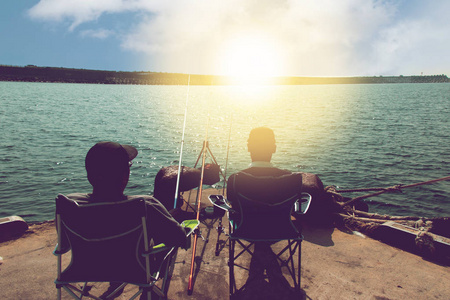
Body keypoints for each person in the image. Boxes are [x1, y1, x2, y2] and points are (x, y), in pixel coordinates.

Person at [66, 141, 187, 299]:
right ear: (125, 176)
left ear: (89, 174)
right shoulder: (145, 205)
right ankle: (149, 290)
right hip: (134, 269)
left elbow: (64, 244)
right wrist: (170, 218)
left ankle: (116, 280)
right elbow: (180, 238)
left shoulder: (69, 205)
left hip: (85, 268)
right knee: (163, 240)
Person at [226, 127, 325, 298]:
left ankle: (256, 281)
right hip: (282, 230)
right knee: (265, 235)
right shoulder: (291, 179)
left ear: (249, 148)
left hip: (247, 230)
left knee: (257, 233)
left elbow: (234, 208)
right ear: (274, 148)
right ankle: (274, 281)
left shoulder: (235, 180)